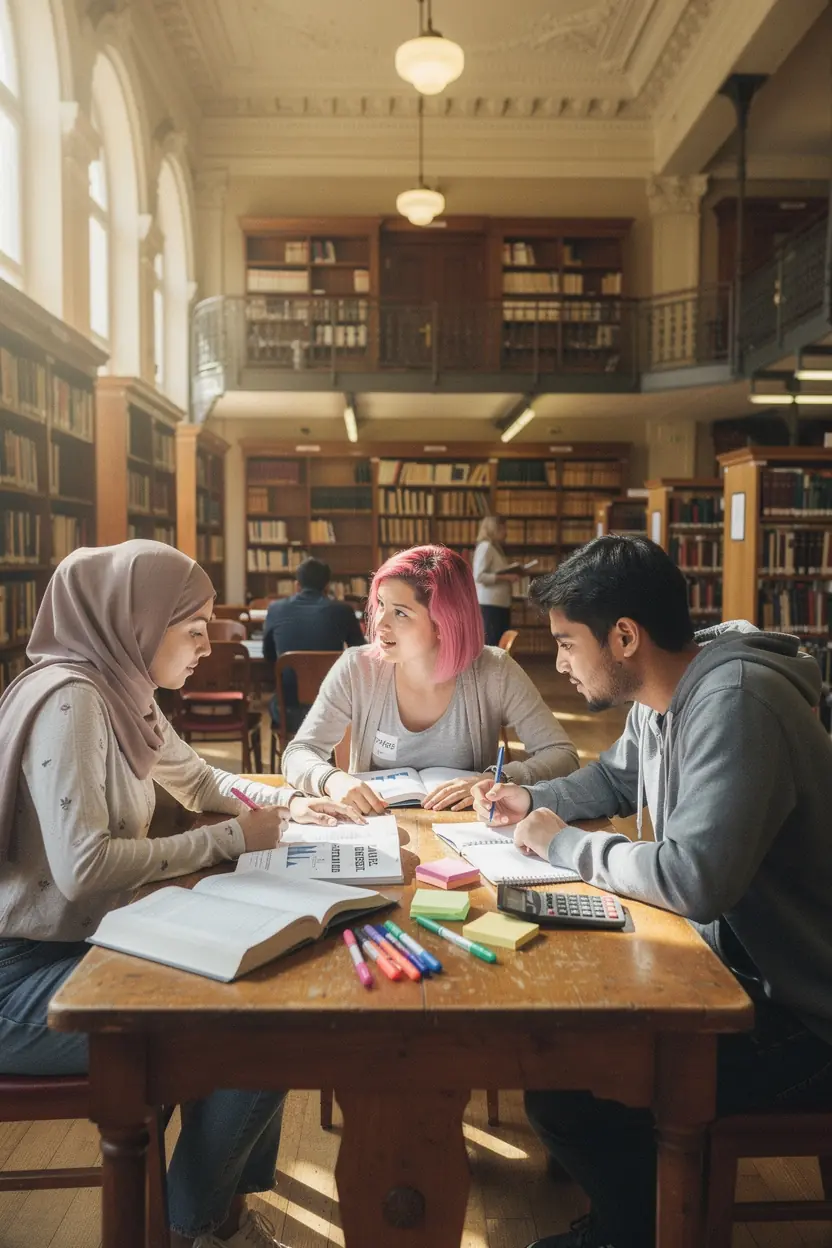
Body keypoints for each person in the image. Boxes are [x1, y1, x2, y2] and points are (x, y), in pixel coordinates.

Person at [471, 536, 832, 1248]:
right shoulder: (667, 690)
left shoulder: (735, 703)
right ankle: (634, 1218)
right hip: (732, 972)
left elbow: (690, 878)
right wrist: (528, 796)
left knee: (572, 1089)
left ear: (625, 637)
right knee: (571, 1060)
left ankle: (637, 1233)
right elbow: (613, 780)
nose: (561, 663)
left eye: (568, 644)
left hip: (805, 1016)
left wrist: (558, 842)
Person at [0, 540, 357, 1248]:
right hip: (17, 983)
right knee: (250, 1023)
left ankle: (207, 1218)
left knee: (254, 990)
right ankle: (201, 1226)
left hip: (80, 948)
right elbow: (84, 866)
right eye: (191, 630)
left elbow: (199, 781)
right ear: (135, 621)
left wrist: (281, 809)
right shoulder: (72, 700)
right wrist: (233, 840)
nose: (204, 646)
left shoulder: (120, 690)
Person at [282, 544, 579, 816]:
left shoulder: (494, 670)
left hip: (466, 832)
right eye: (381, 604)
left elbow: (563, 755)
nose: (380, 623)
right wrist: (332, 779)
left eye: (400, 612)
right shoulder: (357, 668)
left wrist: (495, 779)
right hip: (375, 827)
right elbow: (298, 752)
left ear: (443, 623)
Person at [262, 556, 365, 731]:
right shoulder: (343, 611)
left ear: (297, 585)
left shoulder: (275, 609)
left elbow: (269, 655)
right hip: (332, 712)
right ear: (327, 586)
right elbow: (359, 654)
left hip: (287, 711)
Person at [472, 514, 517, 646]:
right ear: (493, 529)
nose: (506, 532)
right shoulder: (485, 547)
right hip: (490, 604)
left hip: (500, 603)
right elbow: (479, 576)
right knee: (492, 644)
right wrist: (506, 577)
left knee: (500, 644)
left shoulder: (495, 548)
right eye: (502, 528)